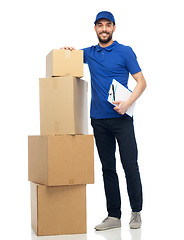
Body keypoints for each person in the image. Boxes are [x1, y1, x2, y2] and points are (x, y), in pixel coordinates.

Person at [64, 11, 147, 231]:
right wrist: (67, 51)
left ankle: (136, 212)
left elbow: (141, 82)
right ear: (95, 29)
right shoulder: (90, 53)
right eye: (100, 25)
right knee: (107, 168)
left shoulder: (124, 52)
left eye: (107, 25)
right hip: (99, 121)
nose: (104, 29)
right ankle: (113, 216)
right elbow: (69, 58)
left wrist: (128, 103)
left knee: (130, 166)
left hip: (121, 119)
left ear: (113, 28)